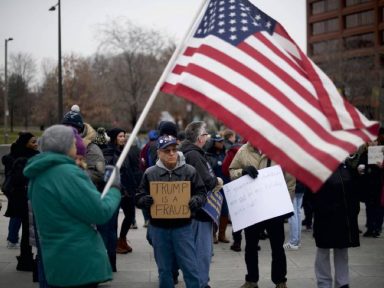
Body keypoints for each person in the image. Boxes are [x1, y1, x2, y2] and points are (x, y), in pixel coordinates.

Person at [24, 125, 121, 288]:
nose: (77, 146)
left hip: (55, 259)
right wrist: (114, 189)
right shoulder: (67, 173)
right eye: (73, 143)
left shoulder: (38, 175)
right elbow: (100, 213)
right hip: (78, 261)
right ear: (65, 146)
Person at [136, 135, 205, 288]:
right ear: (159, 153)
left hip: (183, 227)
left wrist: (197, 200)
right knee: (164, 269)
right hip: (159, 229)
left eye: (174, 150)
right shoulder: (150, 173)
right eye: (167, 151)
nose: (172, 153)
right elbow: (139, 196)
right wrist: (144, 200)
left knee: (190, 267)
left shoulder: (189, 171)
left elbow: (201, 193)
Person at [229, 142, 295, 288]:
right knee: (251, 247)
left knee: (277, 247)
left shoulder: (279, 151)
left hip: (274, 210)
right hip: (252, 210)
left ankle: (280, 281)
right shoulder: (243, 151)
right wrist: (243, 172)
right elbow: (232, 171)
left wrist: (286, 205)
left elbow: (290, 181)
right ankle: (251, 280)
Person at [179, 121, 221, 288]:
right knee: (202, 251)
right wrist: (216, 181)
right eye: (205, 134)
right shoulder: (194, 155)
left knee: (198, 250)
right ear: (199, 138)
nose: (207, 137)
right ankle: (201, 283)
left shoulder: (189, 152)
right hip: (200, 210)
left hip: (195, 209)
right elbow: (205, 181)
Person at [313, 162, 360, 288]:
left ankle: (342, 282)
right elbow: (312, 195)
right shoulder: (319, 169)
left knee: (342, 251)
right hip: (325, 217)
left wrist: (353, 211)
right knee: (323, 251)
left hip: (343, 218)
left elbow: (355, 191)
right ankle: (324, 282)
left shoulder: (348, 168)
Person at [2, 132, 39, 271]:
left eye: (36, 141)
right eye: (33, 142)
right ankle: (26, 259)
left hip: (20, 198)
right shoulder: (28, 158)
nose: (36, 144)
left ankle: (25, 257)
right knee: (28, 230)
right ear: (26, 143)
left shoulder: (15, 156)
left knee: (25, 228)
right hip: (26, 198)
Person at [103, 128, 138, 254]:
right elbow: (111, 173)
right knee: (114, 219)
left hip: (128, 189)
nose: (123, 138)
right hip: (116, 190)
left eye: (124, 136)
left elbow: (129, 170)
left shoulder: (124, 151)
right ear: (114, 138)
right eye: (120, 136)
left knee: (130, 215)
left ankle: (122, 239)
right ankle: (114, 243)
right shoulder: (109, 152)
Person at [206, 133, 230, 244]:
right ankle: (213, 234)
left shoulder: (225, 154)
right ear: (213, 142)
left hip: (225, 186)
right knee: (215, 210)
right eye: (219, 141)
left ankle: (222, 234)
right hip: (214, 187)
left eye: (222, 141)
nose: (221, 143)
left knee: (225, 211)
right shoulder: (208, 155)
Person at [283, 181, 307, 250]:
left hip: (293, 188)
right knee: (298, 214)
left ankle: (294, 241)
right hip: (302, 187)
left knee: (293, 214)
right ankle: (297, 241)